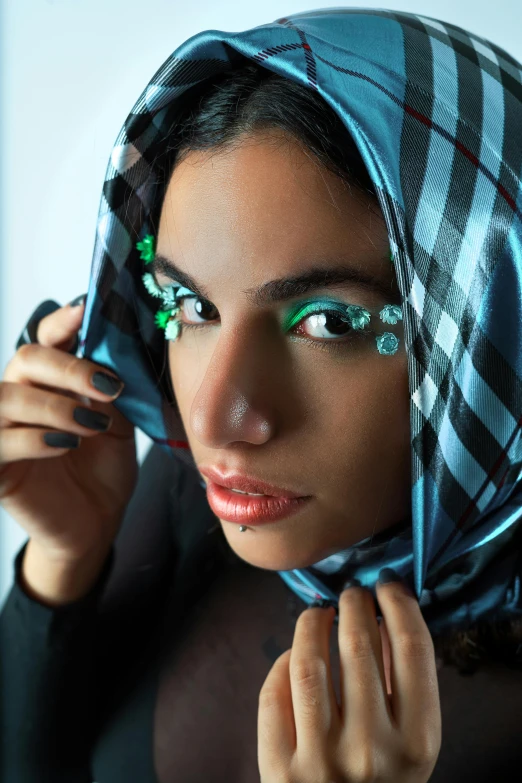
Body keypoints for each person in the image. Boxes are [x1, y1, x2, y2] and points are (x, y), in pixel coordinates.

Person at [1, 7, 522, 782]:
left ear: (492, 322)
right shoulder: (197, 495)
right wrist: (64, 560)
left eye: (330, 320)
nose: (214, 418)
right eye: (192, 307)